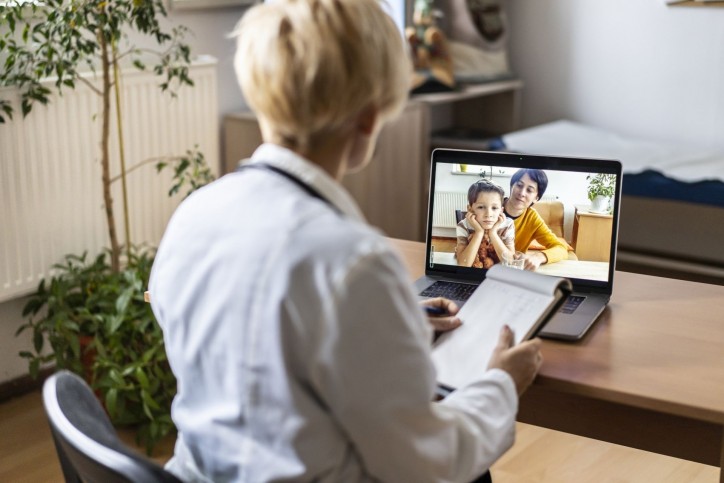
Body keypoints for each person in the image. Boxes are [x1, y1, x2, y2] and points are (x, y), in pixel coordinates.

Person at [149, 1, 542, 482]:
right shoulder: (354, 263)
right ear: (370, 117)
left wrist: (382, 323)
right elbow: (428, 460)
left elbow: (260, 349)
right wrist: (502, 382)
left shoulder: (194, 214)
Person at [504, 168, 568, 271]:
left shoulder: (532, 218)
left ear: (536, 198)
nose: (522, 193)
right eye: (519, 185)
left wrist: (538, 257)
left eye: (529, 190)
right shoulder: (491, 206)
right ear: (512, 186)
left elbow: (561, 248)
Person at [456, 178, 515, 268]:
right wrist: (479, 232)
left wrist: (493, 233)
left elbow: (510, 262)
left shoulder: (508, 225)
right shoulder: (463, 226)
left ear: (501, 210)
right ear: (470, 209)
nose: (488, 214)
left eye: (494, 208)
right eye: (481, 207)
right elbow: (463, 264)